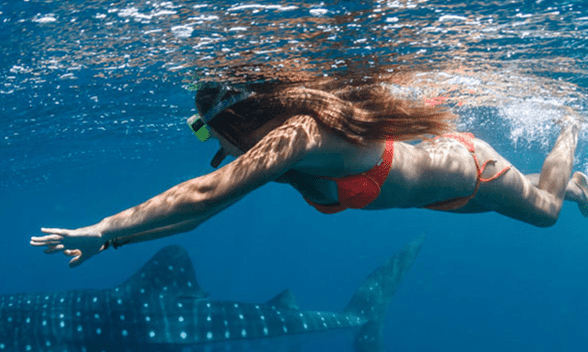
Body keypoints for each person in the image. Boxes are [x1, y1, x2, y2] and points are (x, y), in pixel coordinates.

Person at [31, 79, 588, 267]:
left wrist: (104, 226)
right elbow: (199, 218)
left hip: (474, 170)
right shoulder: (278, 161)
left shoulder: (300, 136)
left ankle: (571, 127)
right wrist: (118, 243)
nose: (209, 143)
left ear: (232, 119)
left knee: (545, 210)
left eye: (204, 129)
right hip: (444, 196)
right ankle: (579, 181)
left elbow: (202, 192)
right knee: (542, 206)